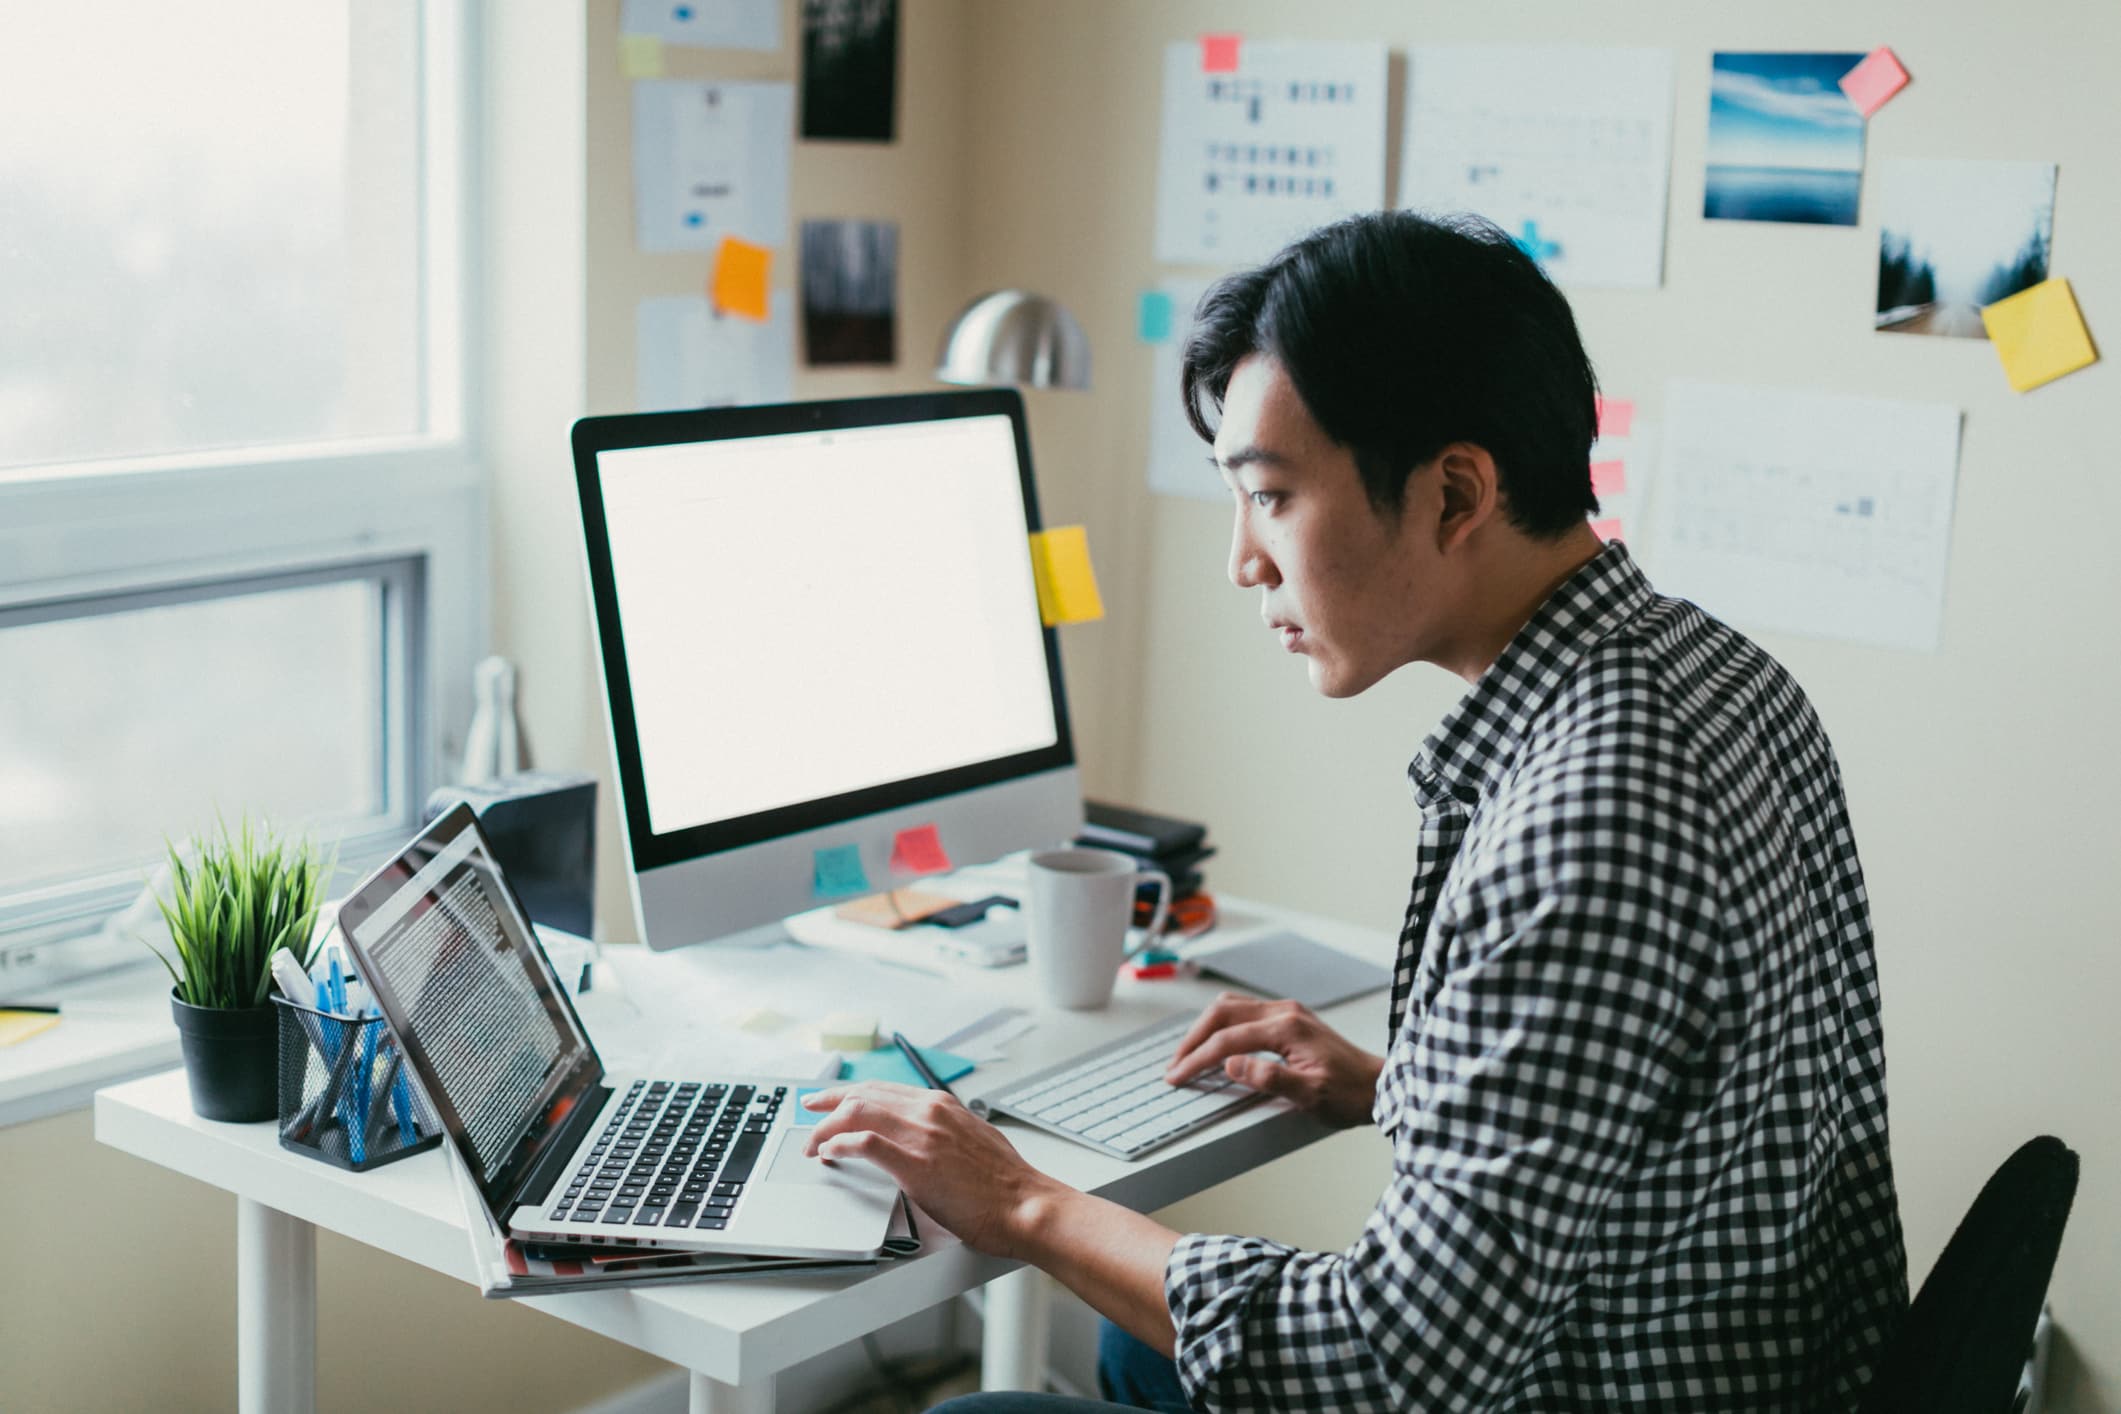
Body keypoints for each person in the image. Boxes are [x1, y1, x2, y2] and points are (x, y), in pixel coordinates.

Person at [798, 210, 1908, 1411]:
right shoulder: (1716, 671)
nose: (1244, 561)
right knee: (1134, 1347)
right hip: (1743, 1355)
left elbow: (1390, 1362)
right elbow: (1672, 1114)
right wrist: (1402, 1084)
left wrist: (1022, 1201)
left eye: (1270, 496)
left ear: (1455, 492)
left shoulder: (1587, 810)